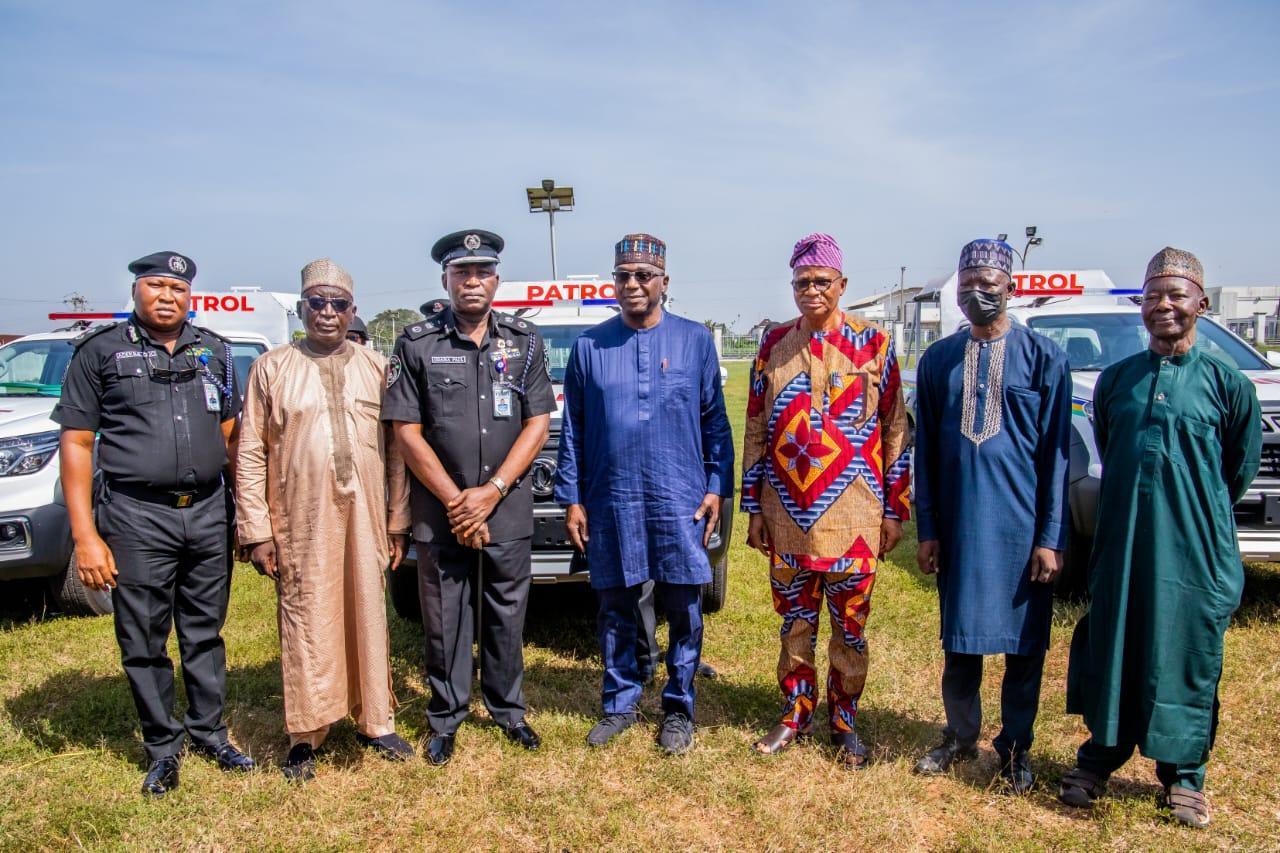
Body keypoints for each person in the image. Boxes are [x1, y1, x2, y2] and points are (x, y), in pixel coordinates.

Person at [1059, 247, 1260, 829]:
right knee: (1114, 645)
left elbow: (1236, 469)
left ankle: (1184, 777)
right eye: (1152, 295)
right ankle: (1099, 757)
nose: (1163, 305)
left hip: (1193, 550)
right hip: (1123, 546)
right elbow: (1112, 445)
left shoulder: (1227, 385)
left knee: (1187, 656)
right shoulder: (1118, 381)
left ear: (1200, 301)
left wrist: (1185, 505)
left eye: (1176, 294)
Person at [52, 251, 254, 797]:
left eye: (178, 289)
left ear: (191, 295)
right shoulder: (100, 352)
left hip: (209, 509)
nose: (167, 297)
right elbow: (76, 443)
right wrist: (85, 535)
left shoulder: (213, 350)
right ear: (137, 291)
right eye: (156, 286)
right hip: (137, 515)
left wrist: (244, 511)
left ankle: (209, 733)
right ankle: (163, 747)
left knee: (204, 632)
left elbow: (232, 433)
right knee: (143, 636)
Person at [555, 233, 734, 754]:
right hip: (612, 497)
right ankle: (620, 701)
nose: (632, 285)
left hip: (679, 495)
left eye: (643, 276)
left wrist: (716, 488)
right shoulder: (590, 346)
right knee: (616, 602)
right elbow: (574, 429)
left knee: (684, 605)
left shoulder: (694, 339)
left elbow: (715, 424)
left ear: (664, 282)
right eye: (623, 276)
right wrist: (573, 498)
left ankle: (678, 707)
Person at [236, 259, 414, 782]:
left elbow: (397, 453)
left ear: (352, 310)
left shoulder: (376, 366)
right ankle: (306, 733)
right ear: (302, 308)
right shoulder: (271, 368)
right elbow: (250, 452)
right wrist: (258, 530)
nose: (328, 313)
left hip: (365, 517)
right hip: (300, 518)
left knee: (367, 611)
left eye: (339, 304)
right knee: (307, 617)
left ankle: (375, 722)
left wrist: (397, 520)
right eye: (318, 303)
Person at [383, 229, 554, 766]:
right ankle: (446, 715)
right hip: (442, 511)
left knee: (506, 612)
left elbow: (538, 422)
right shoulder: (416, 343)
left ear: (497, 280)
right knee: (445, 615)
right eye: (462, 273)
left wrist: (493, 491)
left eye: (482, 272)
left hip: (505, 506)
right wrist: (461, 501)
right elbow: (406, 432)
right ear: (446, 280)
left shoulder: (524, 341)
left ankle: (508, 710)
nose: (472, 281)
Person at [741, 233, 910, 769]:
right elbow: (754, 429)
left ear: (841, 285)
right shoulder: (772, 347)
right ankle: (795, 709)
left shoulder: (875, 346)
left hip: (857, 516)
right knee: (794, 620)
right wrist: (753, 509)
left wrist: (894, 509)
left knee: (850, 626)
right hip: (786, 516)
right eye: (800, 283)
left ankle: (845, 716)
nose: (810, 291)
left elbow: (896, 429)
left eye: (820, 282)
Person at [911, 238, 1072, 793]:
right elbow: (925, 452)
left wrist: (1050, 537)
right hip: (959, 526)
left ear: (1011, 287)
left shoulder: (1045, 358)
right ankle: (960, 736)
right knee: (960, 639)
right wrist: (927, 528)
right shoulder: (938, 360)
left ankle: (1016, 748)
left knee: (1024, 646)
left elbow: (1057, 456)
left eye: (988, 284)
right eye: (967, 285)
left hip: (1022, 530)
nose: (977, 294)